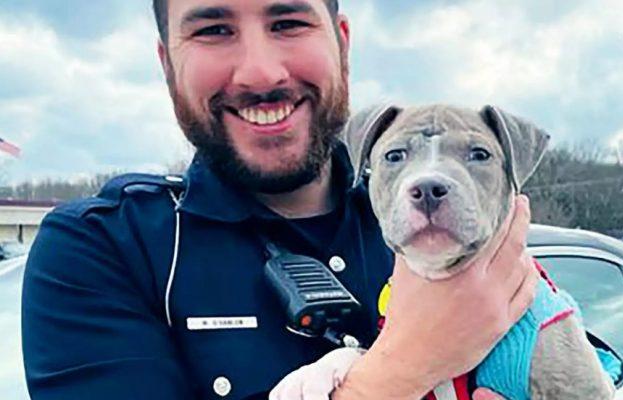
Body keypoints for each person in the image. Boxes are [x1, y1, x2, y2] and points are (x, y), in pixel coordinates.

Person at [21, 0, 538, 399]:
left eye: (288, 22)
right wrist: (402, 369)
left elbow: (579, 361)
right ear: (167, 63)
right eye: (213, 30)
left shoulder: (454, 224)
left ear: (341, 44)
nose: (261, 73)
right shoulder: (101, 248)